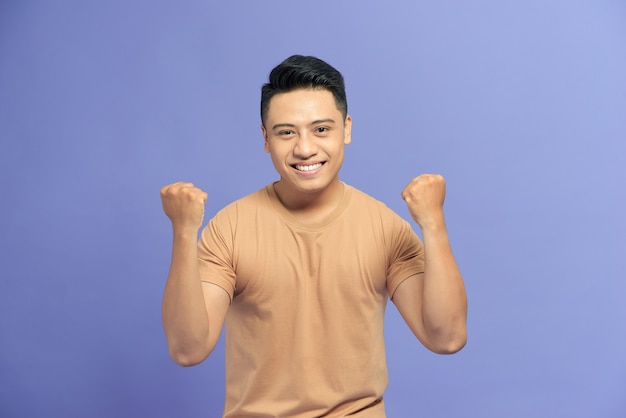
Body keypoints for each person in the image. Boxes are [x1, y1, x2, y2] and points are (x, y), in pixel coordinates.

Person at [160, 55, 467, 417]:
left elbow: (446, 338)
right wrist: (183, 233)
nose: (305, 148)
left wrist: (433, 223)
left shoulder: (384, 227)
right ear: (265, 138)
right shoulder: (230, 228)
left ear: (346, 129)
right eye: (286, 132)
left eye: (321, 129)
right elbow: (187, 349)